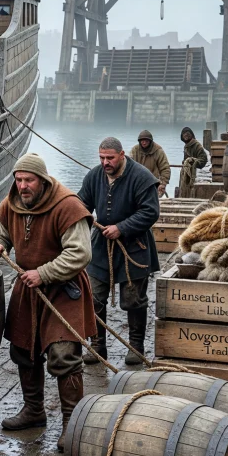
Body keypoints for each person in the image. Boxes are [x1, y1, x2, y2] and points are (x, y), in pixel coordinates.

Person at [0, 154, 97, 444]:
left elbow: (80, 254)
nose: (23, 186)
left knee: (63, 355)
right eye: (19, 180)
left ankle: (72, 424)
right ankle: (34, 410)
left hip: (63, 289)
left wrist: (44, 273)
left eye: (29, 180)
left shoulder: (68, 206)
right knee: (23, 350)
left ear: (43, 180)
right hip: (27, 288)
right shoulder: (11, 203)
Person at [77, 137, 161, 367]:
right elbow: (81, 204)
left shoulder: (142, 177)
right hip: (101, 247)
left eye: (110, 158)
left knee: (133, 299)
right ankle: (97, 345)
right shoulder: (94, 176)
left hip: (135, 248)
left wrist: (122, 228)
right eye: (102, 158)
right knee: (93, 297)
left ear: (122, 155)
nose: (105, 162)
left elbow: (151, 212)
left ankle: (136, 346)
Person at [129, 129, 171, 197]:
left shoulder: (158, 151)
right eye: (142, 141)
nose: (144, 143)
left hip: (152, 183)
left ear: (150, 141)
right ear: (139, 141)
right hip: (137, 182)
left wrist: (163, 183)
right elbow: (128, 165)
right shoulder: (135, 150)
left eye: (146, 141)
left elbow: (165, 168)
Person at [178, 126, 208, 196]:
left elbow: (203, 159)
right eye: (184, 135)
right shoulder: (186, 146)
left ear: (191, 135)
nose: (186, 136)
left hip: (194, 174)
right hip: (186, 172)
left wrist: (193, 161)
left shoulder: (197, 145)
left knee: (190, 190)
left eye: (187, 134)